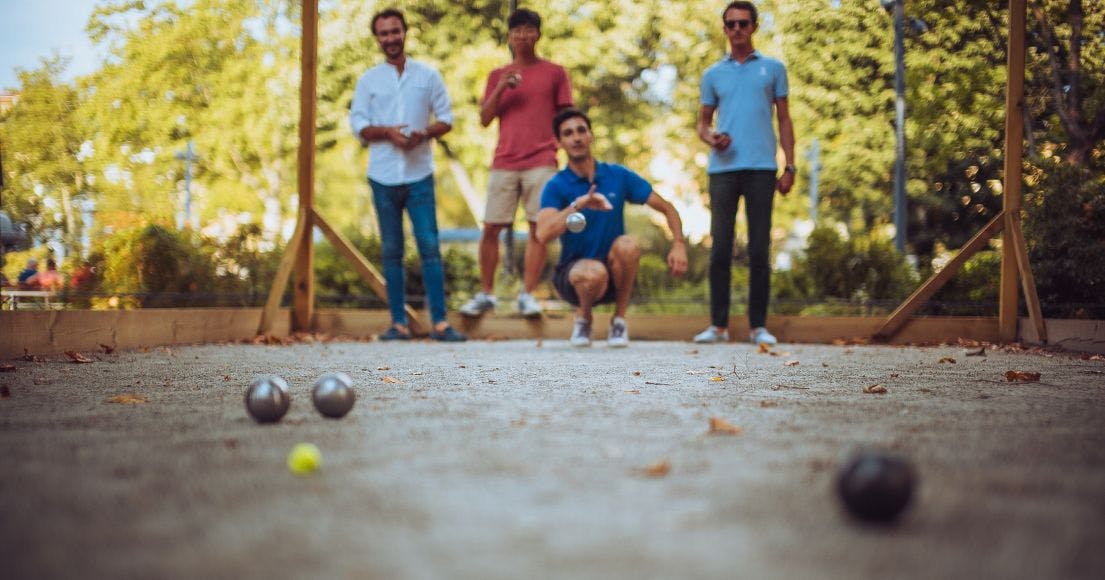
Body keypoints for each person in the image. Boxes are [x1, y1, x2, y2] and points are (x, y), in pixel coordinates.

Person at [349, 8, 466, 342]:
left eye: (395, 31)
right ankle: (398, 324)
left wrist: (422, 135)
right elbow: (358, 125)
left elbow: (446, 118)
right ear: (377, 38)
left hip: (419, 174)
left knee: (430, 247)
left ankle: (440, 323)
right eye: (384, 33)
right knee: (391, 251)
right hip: (382, 176)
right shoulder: (368, 80)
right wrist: (388, 132)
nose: (390, 38)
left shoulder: (427, 76)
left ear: (405, 32)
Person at [536, 108, 688, 347]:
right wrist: (579, 203)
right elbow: (542, 234)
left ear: (591, 135)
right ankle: (584, 319)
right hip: (574, 276)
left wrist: (678, 244)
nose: (576, 137)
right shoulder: (556, 185)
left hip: (613, 273)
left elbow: (667, 208)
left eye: (581, 130)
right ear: (560, 143)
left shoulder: (617, 175)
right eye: (568, 133)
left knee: (628, 245)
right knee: (592, 271)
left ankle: (619, 320)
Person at [460, 8, 574, 319]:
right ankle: (486, 294)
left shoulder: (555, 73)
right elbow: (484, 119)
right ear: (509, 36)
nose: (522, 35)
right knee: (491, 227)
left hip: (542, 160)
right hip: (505, 160)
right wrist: (501, 88)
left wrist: (565, 155)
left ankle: (527, 295)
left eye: (528, 29)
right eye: (516, 30)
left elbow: (567, 117)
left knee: (539, 227)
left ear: (538, 34)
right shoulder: (497, 75)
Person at [693, 1, 796, 346]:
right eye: (731, 24)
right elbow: (703, 125)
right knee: (720, 249)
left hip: (762, 168)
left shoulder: (773, 69)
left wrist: (790, 164)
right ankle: (718, 326)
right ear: (724, 29)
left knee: (759, 250)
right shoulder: (712, 74)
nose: (737, 29)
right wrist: (712, 138)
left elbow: (784, 119)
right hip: (722, 170)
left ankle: (758, 327)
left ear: (753, 26)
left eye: (743, 23)